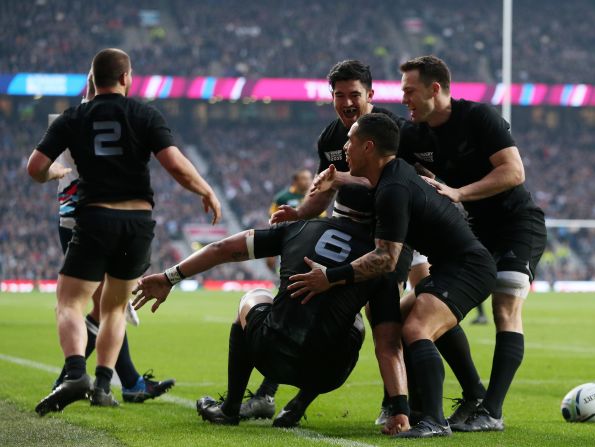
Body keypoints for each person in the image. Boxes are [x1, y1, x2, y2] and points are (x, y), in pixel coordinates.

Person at [28, 48, 221, 415]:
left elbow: (35, 167)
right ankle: (102, 385)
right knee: (114, 308)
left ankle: (74, 373)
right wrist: (206, 190)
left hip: (95, 218)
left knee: (69, 303)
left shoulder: (74, 117)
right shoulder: (144, 113)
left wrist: (52, 174)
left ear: (93, 80)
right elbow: (176, 165)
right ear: (126, 77)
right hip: (137, 223)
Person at [131, 193, 410, 434]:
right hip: (327, 374)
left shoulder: (301, 228)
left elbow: (221, 249)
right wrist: (400, 409)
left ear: (336, 203)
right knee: (357, 323)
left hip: (269, 353)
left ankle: (229, 409)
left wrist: (170, 277)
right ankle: (297, 406)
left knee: (253, 297)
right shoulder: (381, 264)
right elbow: (389, 345)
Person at [288, 113, 496, 438]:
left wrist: (331, 276)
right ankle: (416, 408)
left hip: (467, 268)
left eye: (351, 142)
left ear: (368, 147)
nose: (344, 148)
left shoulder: (393, 188)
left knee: (416, 328)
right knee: (398, 325)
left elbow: (386, 259)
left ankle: (435, 421)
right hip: (453, 266)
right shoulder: (390, 178)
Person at [262, 60, 429, 424]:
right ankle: (275, 394)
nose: (348, 102)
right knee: (313, 310)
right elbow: (324, 188)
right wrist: (300, 213)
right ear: (332, 97)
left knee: (385, 328)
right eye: (340, 95)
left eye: (355, 94)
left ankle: (396, 406)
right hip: (342, 232)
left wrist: (341, 181)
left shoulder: (391, 131)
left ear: (370, 95)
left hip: (386, 241)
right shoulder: (328, 138)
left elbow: (394, 182)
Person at [398, 55, 547, 432]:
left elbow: (514, 172)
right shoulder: (415, 135)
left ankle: (490, 412)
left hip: (517, 224)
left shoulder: (479, 117)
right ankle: (473, 395)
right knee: (427, 304)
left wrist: (459, 193)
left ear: (435, 89)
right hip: (474, 231)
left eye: (409, 91)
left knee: (505, 309)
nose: (404, 99)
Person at [50, 72, 175, 403]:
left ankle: (118, 381)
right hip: (89, 221)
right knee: (103, 308)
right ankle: (79, 378)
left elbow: (45, 167)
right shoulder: (88, 122)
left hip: (79, 218)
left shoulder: (70, 120)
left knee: (106, 307)